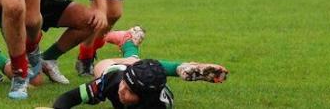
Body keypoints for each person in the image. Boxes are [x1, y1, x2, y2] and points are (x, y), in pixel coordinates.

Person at [47, 40, 228, 109]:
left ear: (145, 98)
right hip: (115, 71)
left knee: (135, 65)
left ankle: (129, 45)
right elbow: (70, 98)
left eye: (130, 91)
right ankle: (179, 67)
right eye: (125, 85)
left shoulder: (157, 105)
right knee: (103, 66)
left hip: (133, 74)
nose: (122, 91)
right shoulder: (114, 82)